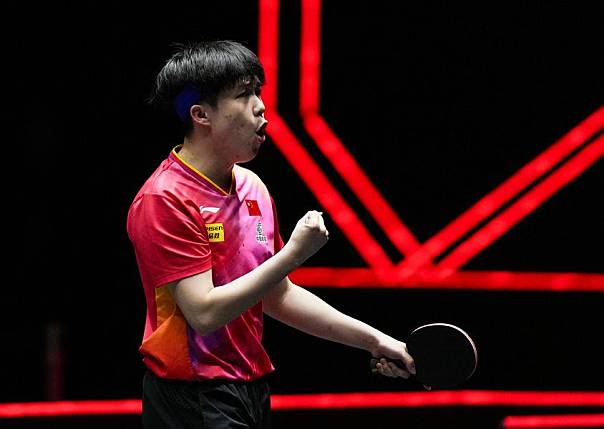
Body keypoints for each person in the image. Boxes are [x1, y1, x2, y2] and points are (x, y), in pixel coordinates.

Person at [127, 40, 415, 429]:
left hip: (250, 390)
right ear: (201, 114)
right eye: (244, 95)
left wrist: (374, 340)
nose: (261, 106)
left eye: (257, 91)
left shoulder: (252, 187)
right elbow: (204, 312)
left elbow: (278, 295)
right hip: (191, 398)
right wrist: (292, 255)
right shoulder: (165, 199)